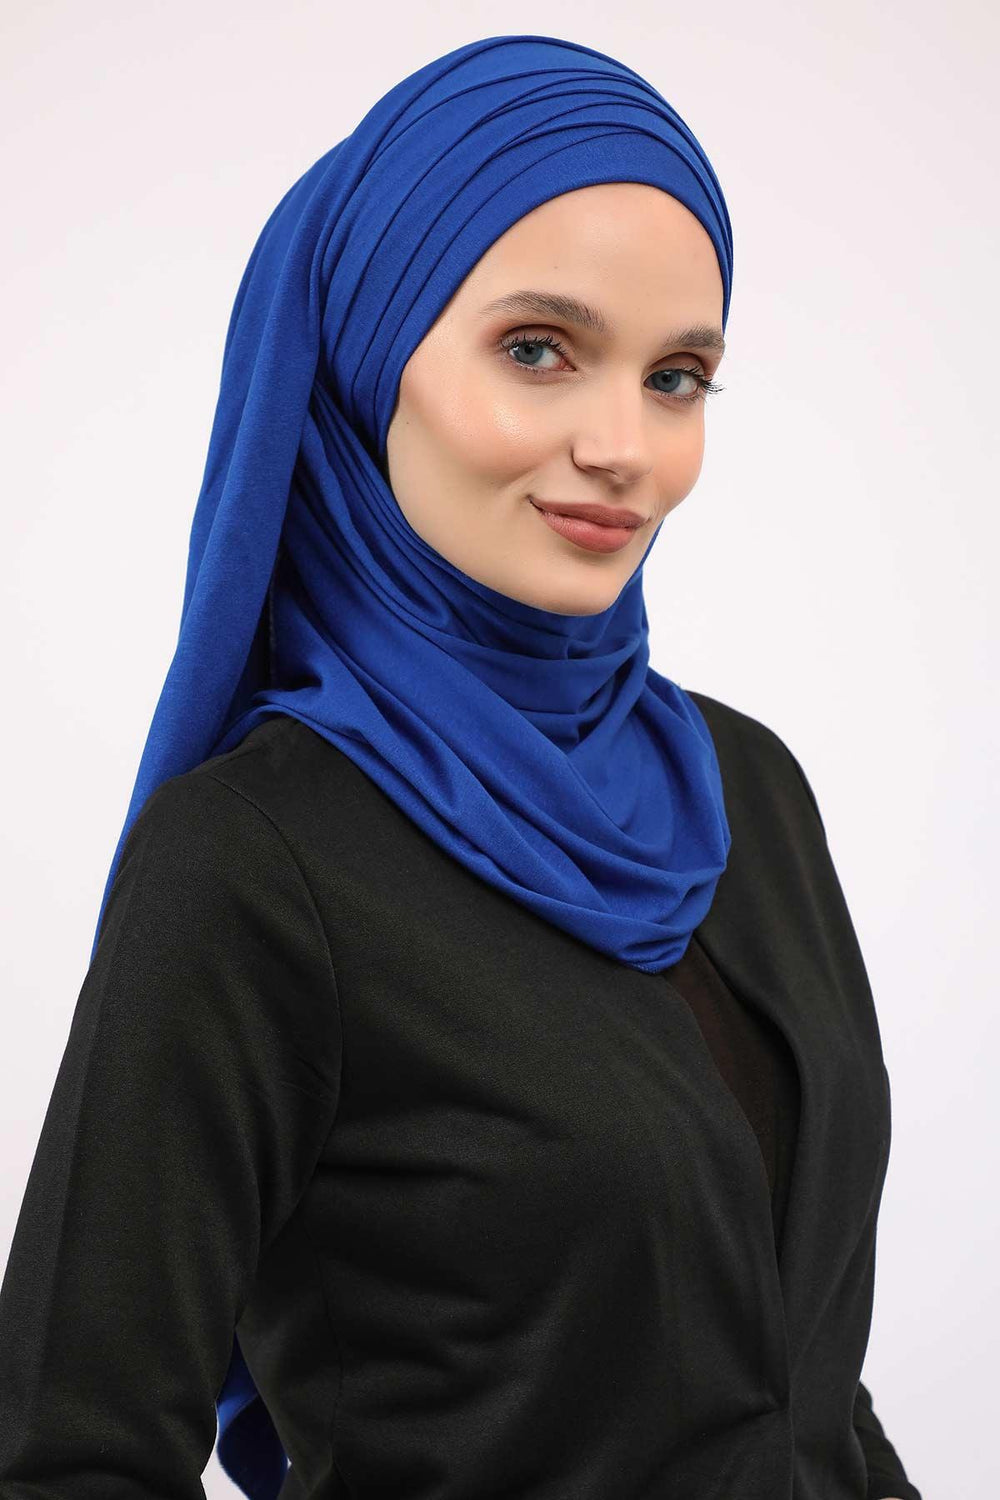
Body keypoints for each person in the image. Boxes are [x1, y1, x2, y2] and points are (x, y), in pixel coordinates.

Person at [0, 32, 922, 1500]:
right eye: (539, 349)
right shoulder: (256, 859)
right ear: (370, 357)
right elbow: (71, 1454)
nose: (624, 446)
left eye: (677, 376)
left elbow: (803, 1377)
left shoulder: (749, 791)